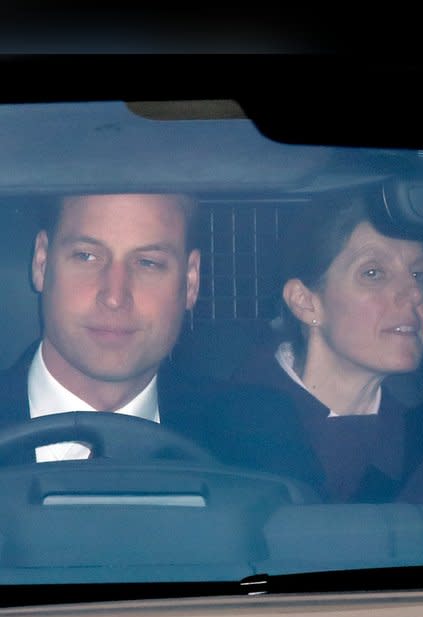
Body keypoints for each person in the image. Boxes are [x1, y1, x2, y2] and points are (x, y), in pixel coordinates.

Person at [0, 191, 324, 488]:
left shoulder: (257, 435)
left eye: (148, 263)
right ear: (42, 262)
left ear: (191, 280)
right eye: (86, 256)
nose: (114, 296)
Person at [233, 188, 423, 504]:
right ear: (306, 302)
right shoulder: (218, 426)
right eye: (374, 273)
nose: (415, 294)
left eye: (420, 274)